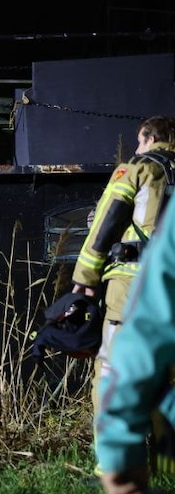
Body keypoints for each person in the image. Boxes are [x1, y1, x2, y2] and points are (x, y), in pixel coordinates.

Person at [72, 115, 175, 469]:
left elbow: (106, 223)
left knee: (112, 370)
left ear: (150, 137)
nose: (135, 148)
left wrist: (85, 276)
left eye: (139, 141)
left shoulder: (136, 170)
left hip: (132, 290)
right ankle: (168, 461)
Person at [94, 190, 175, 494]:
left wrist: (118, 452)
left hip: (123, 288)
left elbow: (145, 335)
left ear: (144, 134)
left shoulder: (136, 171)